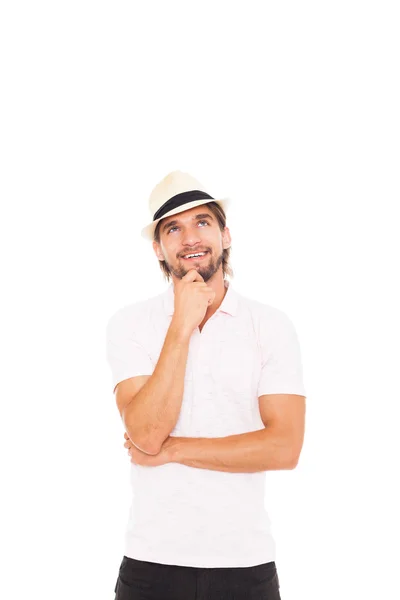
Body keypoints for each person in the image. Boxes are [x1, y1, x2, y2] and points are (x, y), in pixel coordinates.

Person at [106, 170, 307, 599]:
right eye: (173, 228)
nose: (190, 237)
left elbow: (285, 447)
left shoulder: (270, 326)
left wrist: (175, 450)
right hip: (151, 565)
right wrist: (181, 326)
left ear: (226, 235)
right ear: (158, 248)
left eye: (202, 222)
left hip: (244, 565)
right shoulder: (131, 325)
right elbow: (144, 434)